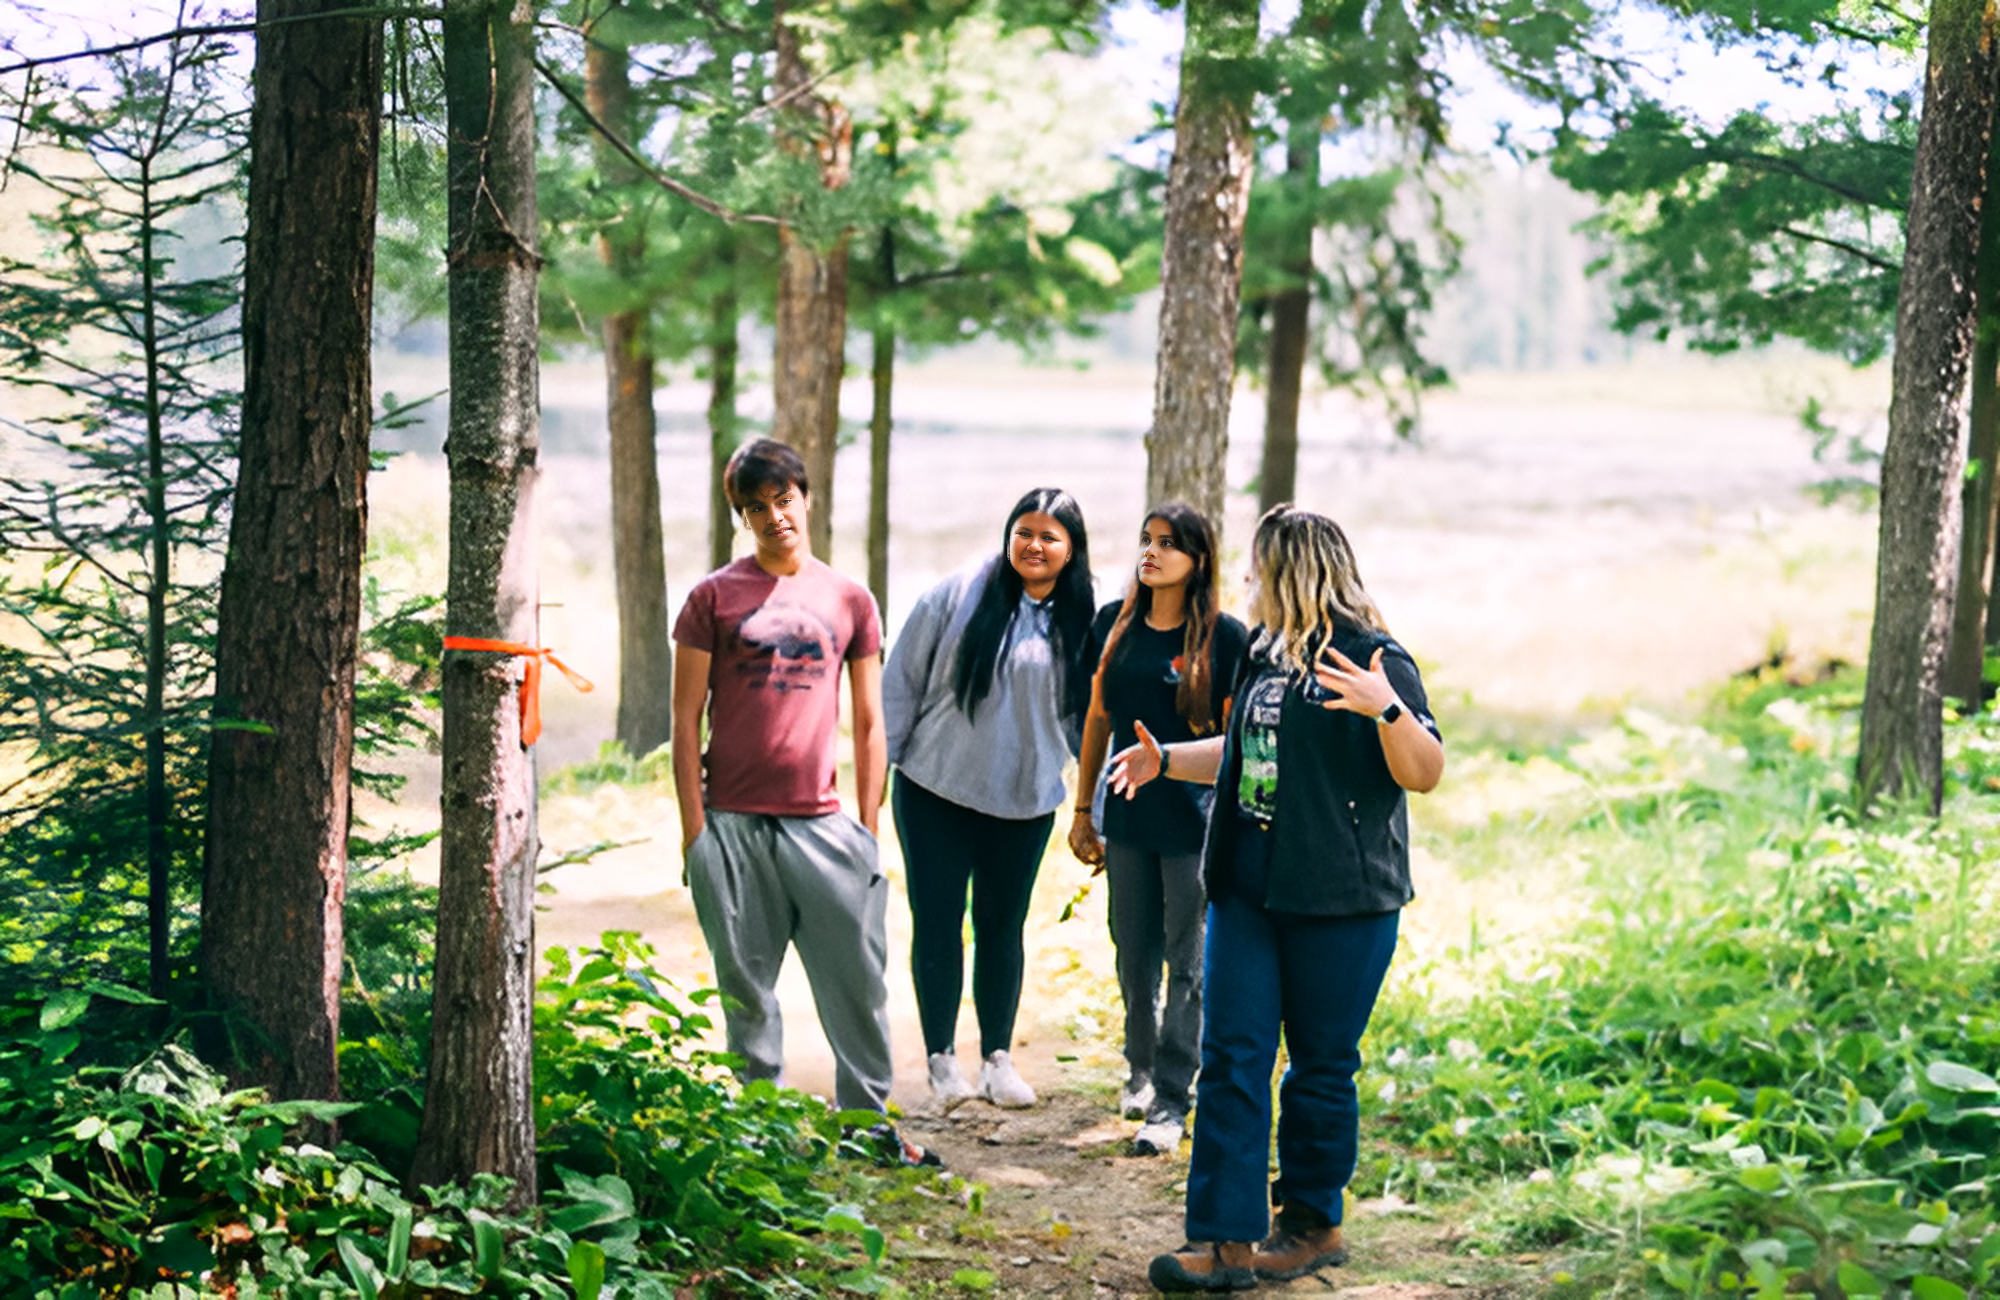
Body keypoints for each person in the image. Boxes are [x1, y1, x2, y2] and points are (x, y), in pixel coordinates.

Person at [1112, 505, 1445, 1292]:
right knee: (1232, 1056)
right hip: (1249, 888)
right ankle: (1224, 1242)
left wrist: (1385, 708)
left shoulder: (1373, 658)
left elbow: (1424, 770)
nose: (1252, 580)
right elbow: (1249, 754)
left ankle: (1311, 1223)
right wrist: (1167, 762)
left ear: (1296, 569)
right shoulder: (1264, 655)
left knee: (1321, 1067)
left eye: (1262, 566)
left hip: (1343, 898)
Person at [671, 438, 935, 1168]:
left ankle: (867, 1127)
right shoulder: (711, 599)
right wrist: (698, 836)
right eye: (755, 507)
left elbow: (871, 723)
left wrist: (868, 832)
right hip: (732, 826)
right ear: (741, 516)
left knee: (858, 982)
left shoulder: (849, 599)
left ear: (806, 498)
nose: (772, 517)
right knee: (747, 989)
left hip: (823, 826)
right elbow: (684, 721)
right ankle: (758, 1133)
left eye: (782, 500)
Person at [884, 487, 1095, 1108]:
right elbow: (900, 682)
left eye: (1049, 536)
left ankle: (997, 1060)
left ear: (1071, 549)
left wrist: (1094, 809)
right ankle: (942, 1060)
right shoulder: (957, 594)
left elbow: (1091, 723)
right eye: (1023, 532)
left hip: (1024, 800)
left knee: (1003, 927)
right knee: (939, 921)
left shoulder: (1087, 618)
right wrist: (881, 772)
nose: (1034, 545)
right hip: (933, 789)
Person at [1069, 502, 1248, 1156]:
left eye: (1169, 544)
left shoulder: (1225, 639)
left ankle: (1174, 1099)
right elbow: (1096, 719)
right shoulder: (1114, 628)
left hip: (1195, 827)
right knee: (1131, 949)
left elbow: (1237, 741)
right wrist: (1084, 809)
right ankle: (1140, 1068)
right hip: (1128, 822)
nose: (1152, 552)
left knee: (1188, 962)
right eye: (1147, 540)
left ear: (1198, 561)